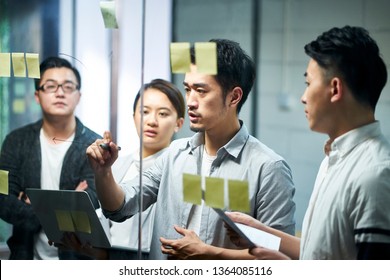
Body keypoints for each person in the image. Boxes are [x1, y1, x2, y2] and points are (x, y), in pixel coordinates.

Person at [87, 39, 296, 260]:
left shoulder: (268, 168)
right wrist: (104, 172)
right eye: (187, 89)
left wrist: (211, 254)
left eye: (201, 91)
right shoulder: (174, 154)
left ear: (234, 96)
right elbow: (120, 207)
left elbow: (278, 257)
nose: (191, 102)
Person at [226, 25, 390, 260]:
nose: (303, 97)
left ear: (334, 89)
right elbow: (321, 252)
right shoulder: (336, 159)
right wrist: (260, 233)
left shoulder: (374, 174)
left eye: (308, 83)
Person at [60, 78, 185, 259]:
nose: (152, 121)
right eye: (144, 112)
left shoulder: (180, 169)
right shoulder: (115, 165)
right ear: (133, 116)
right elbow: (107, 231)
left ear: (179, 124)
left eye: (163, 114)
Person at [0, 56, 101, 260]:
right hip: (25, 260)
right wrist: (69, 202)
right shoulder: (16, 141)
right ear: (37, 96)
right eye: (50, 86)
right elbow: (3, 200)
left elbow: (93, 200)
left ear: (78, 95)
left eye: (68, 86)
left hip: (77, 262)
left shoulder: (94, 144)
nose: (60, 92)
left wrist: (36, 204)